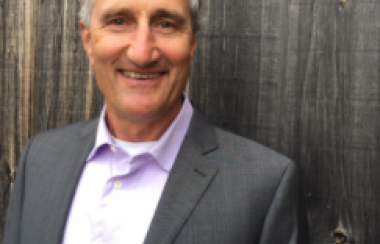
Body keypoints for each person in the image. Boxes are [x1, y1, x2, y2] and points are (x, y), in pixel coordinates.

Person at [2, 0, 307, 243]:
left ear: (192, 41)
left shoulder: (265, 185)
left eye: (166, 23)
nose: (142, 52)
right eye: (119, 21)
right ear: (88, 40)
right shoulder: (40, 159)